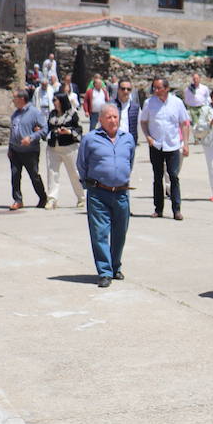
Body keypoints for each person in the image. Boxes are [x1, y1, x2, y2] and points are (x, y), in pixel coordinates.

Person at [77, 104, 137, 287]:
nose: (113, 121)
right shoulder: (89, 139)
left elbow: (130, 161)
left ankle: (115, 266)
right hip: (98, 192)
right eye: (109, 117)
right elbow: (82, 164)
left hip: (121, 193)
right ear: (101, 120)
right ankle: (104, 271)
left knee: (120, 233)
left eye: (115, 117)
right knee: (100, 233)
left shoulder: (128, 138)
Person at [139, 78, 191, 220]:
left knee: (173, 176)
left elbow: (184, 124)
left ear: (166, 88)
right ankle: (158, 209)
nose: (156, 91)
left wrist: (186, 144)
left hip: (172, 145)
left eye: (158, 88)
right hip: (156, 145)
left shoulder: (177, 103)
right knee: (157, 177)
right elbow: (143, 122)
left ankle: (176, 209)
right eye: (154, 88)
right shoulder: (149, 103)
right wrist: (148, 137)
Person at [7, 88, 48, 211]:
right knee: (15, 175)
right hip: (15, 150)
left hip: (30, 151)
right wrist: (10, 147)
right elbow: (12, 131)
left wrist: (31, 137)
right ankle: (17, 200)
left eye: (14, 98)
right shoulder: (15, 114)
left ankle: (42, 197)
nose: (13, 101)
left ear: (21, 99)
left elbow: (45, 129)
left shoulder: (35, 112)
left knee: (34, 175)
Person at [44, 92, 85, 209]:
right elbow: (48, 128)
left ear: (62, 101)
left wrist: (69, 132)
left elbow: (79, 129)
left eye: (56, 100)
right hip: (53, 147)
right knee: (52, 173)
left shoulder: (72, 114)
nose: (54, 103)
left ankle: (81, 198)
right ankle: (52, 199)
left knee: (74, 173)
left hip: (69, 147)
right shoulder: (52, 114)